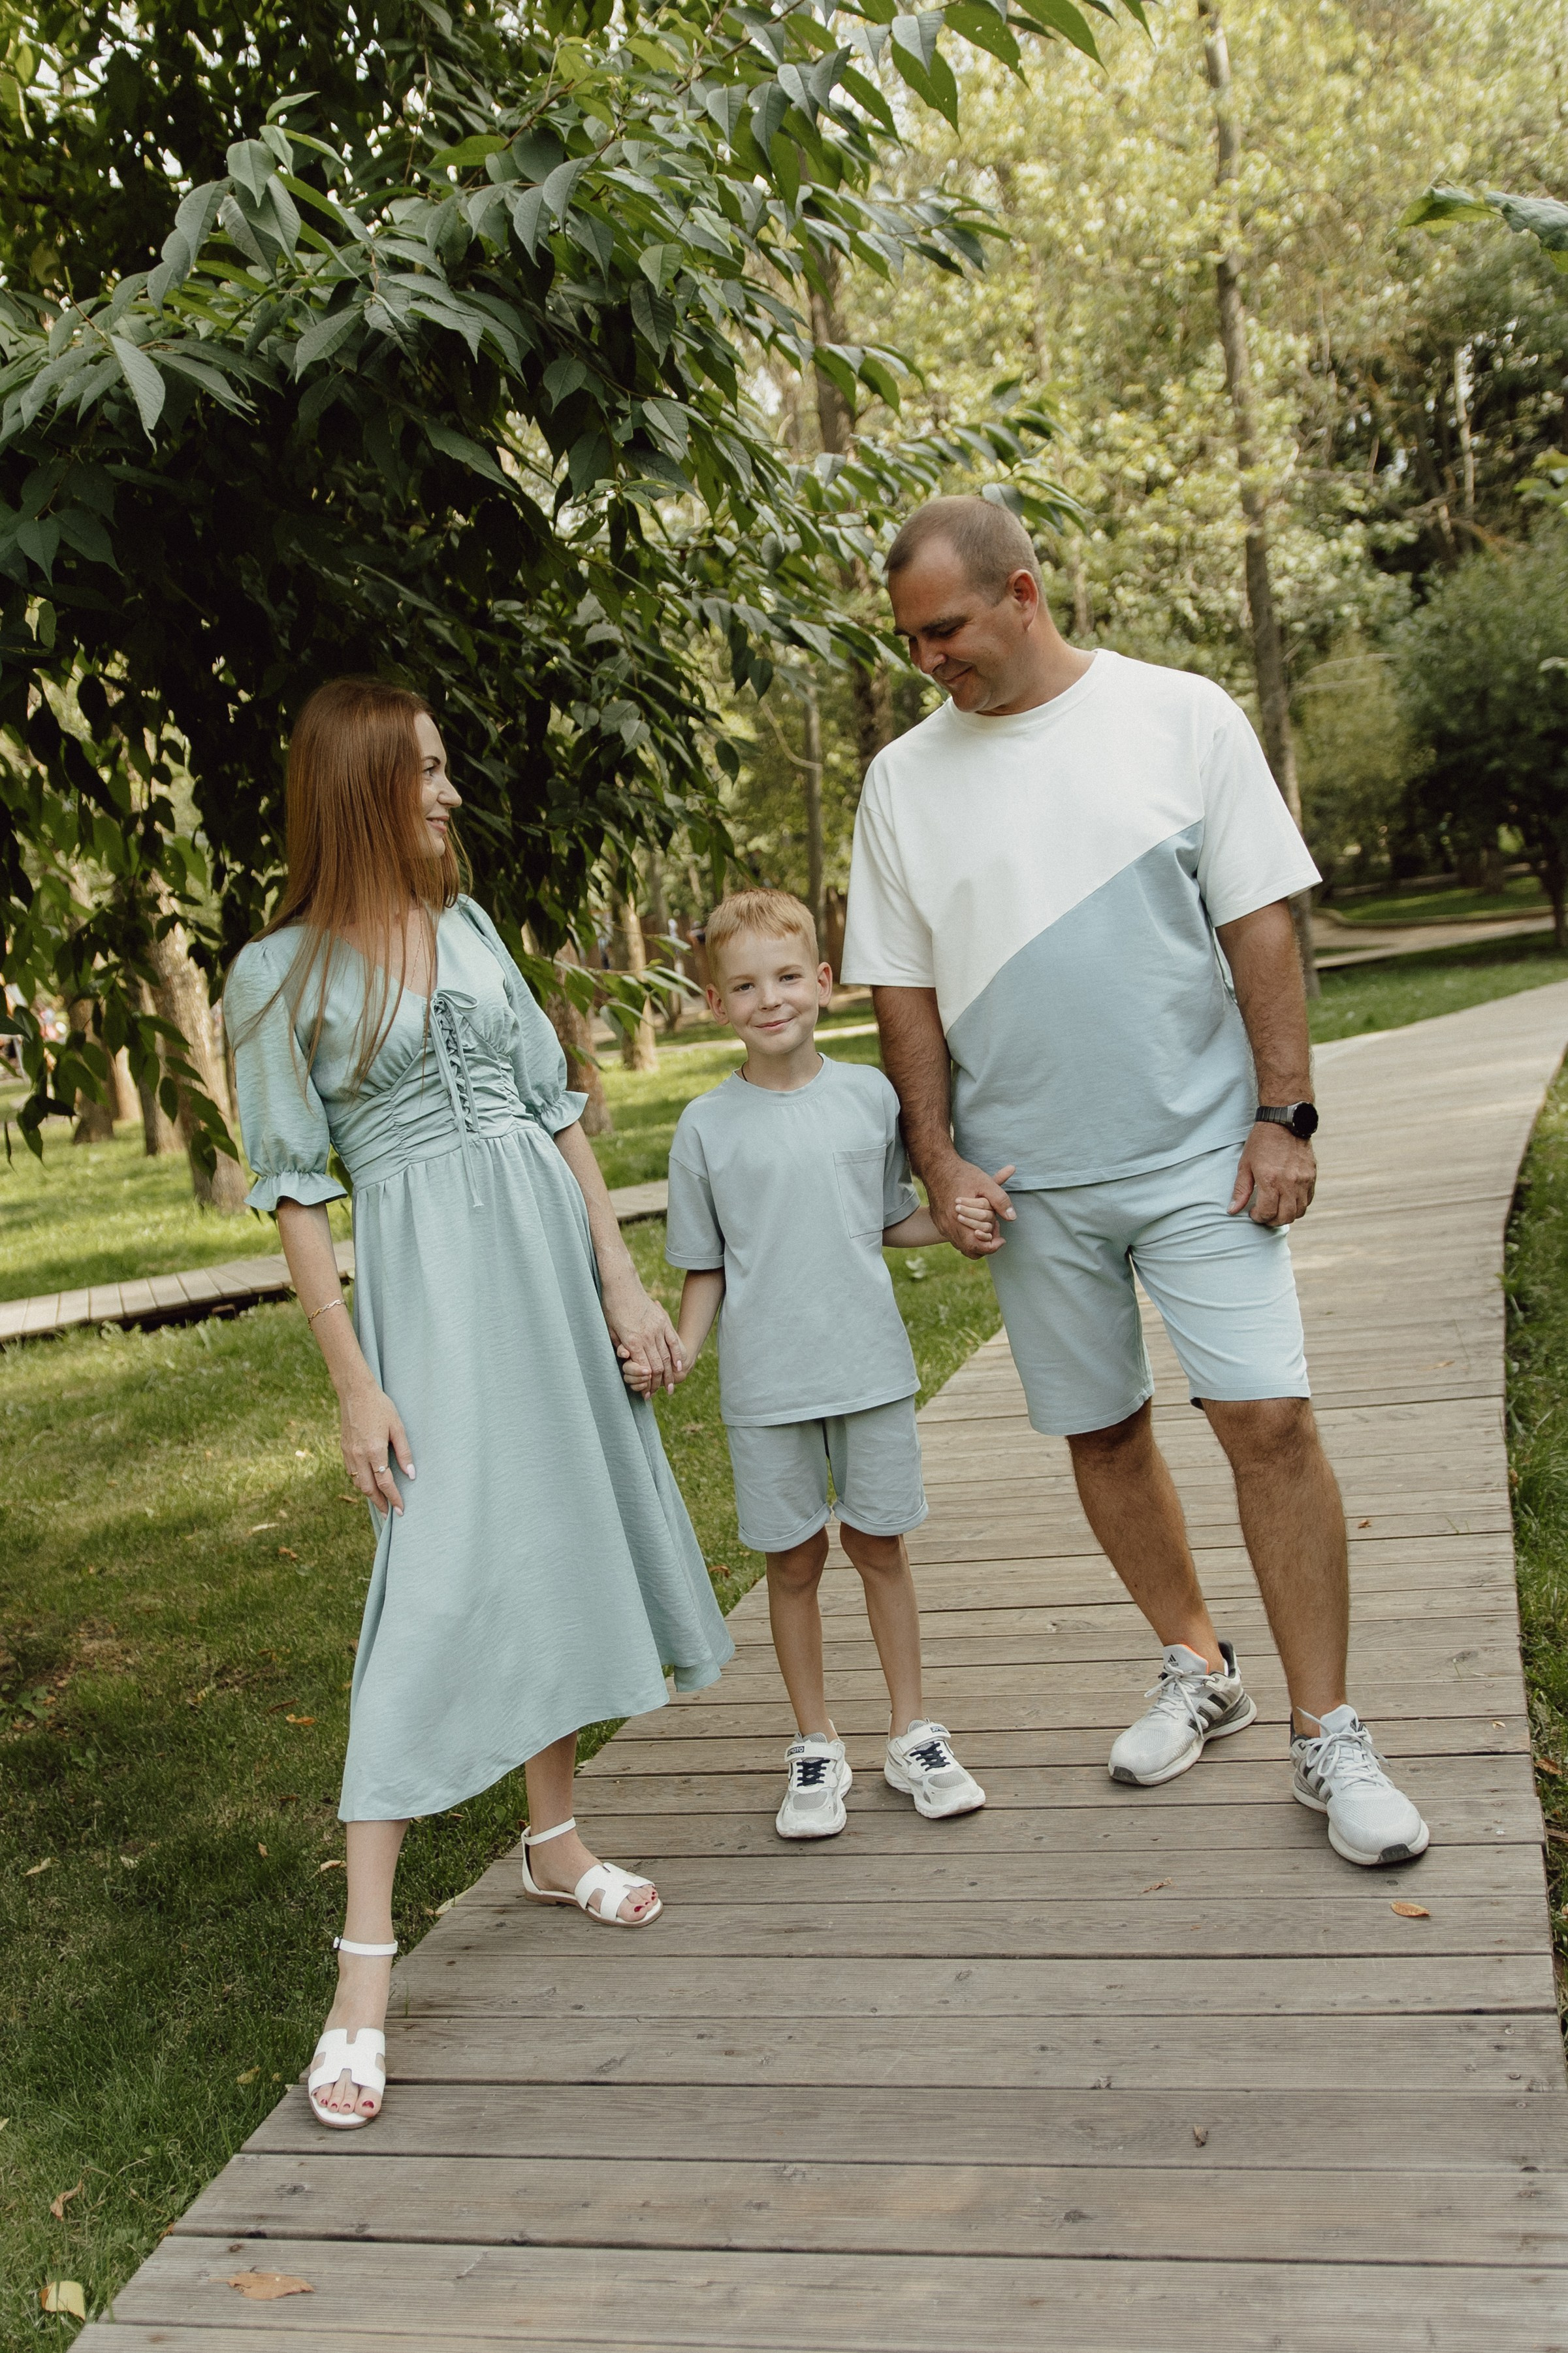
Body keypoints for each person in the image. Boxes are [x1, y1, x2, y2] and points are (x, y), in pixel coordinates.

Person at [841, 495, 1430, 1871]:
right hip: (1028, 1183)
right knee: (1101, 1434)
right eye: (909, 642)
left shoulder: (1179, 717)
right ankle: (1196, 1665)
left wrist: (1284, 1113)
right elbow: (904, 994)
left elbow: (1259, 920)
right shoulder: (900, 782)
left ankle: (1326, 1732)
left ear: (1024, 592)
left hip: (1199, 1159)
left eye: (946, 631)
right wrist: (936, 1155)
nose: (928, 660)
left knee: (1267, 1421)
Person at [225, 677, 733, 2130]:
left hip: (541, 1262)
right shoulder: (273, 975)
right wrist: (354, 1384)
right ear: (362, 785)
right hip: (429, 1296)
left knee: (554, 1545)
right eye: (428, 771)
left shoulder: (467, 928)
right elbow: (296, 1199)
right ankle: (365, 1974)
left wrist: (623, 1285)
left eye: (447, 768)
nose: (449, 793)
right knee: (434, 1589)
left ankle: (556, 1839)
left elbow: (555, 1110)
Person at [627, 887, 989, 1837]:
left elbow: (888, 1219)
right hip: (766, 1386)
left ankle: (912, 1732)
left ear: (823, 983)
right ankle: (814, 1743)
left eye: (787, 976)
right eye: (744, 985)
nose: (769, 998)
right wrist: (683, 1349)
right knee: (790, 1564)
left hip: (868, 1369)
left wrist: (952, 1221)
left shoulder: (869, 1095)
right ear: (715, 1003)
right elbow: (704, 1266)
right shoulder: (704, 1127)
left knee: (879, 1547)